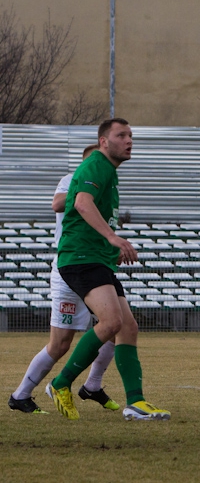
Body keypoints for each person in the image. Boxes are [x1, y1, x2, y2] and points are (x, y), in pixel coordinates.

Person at [45, 118, 170, 421]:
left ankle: (136, 402)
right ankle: (61, 383)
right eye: (121, 135)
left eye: (131, 135)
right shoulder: (96, 165)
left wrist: (110, 248)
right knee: (112, 322)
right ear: (103, 141)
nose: (129, 140)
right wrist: (113, 238)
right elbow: (83, 204)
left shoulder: (109, 172)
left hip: (95, 257)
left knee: (128, 327)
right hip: (80, 258)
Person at [8, 144, 119, 414]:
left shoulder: (106, 184)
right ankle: (20, 395)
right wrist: (83, 191)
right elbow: (56, 203)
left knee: (114, 328)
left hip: (92, 264)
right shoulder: (75, 179)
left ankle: (92, 385)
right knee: (60, 343)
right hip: (69, 269)